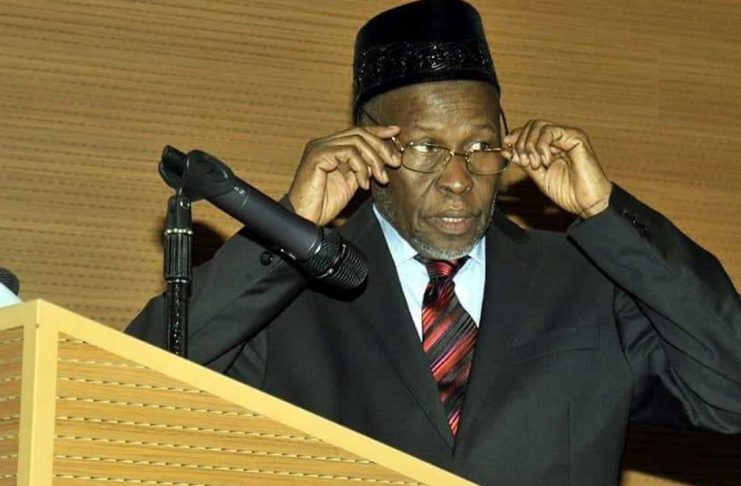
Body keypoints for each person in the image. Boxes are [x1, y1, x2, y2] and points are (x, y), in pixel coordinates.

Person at [127, 1, 741, 484]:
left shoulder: (586, 283)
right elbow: (135, 398)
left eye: (480, 146)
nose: (458, 179)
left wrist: (606, 211)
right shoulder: (286, 295)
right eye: (425, 147)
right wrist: (291, 225)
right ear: (369, 147)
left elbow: (731, 392)